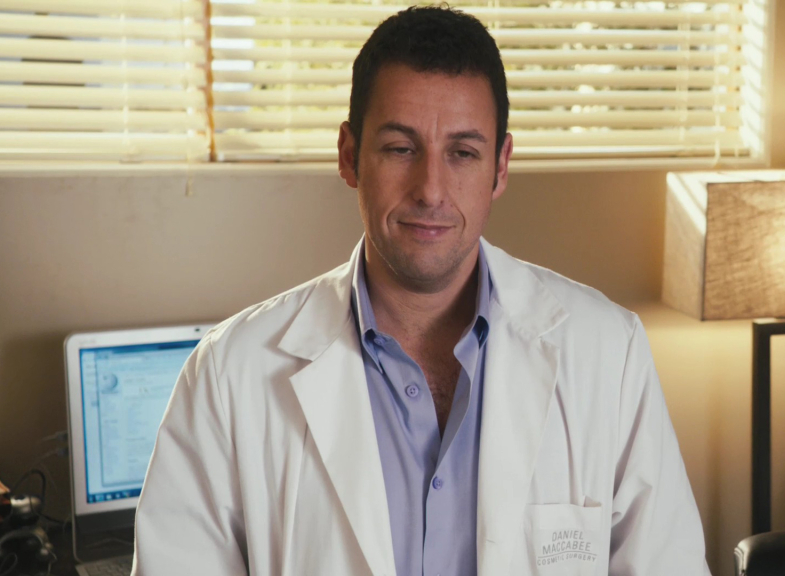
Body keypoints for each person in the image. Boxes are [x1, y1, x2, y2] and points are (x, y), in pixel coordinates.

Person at [132, 6, 710, 575]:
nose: (431, 189)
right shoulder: (228, 373)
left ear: (500, 166)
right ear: (349, 156)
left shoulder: (609, 353)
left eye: (463, 153)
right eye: (401, 148)